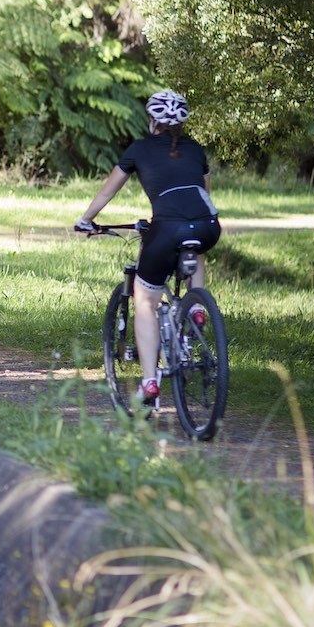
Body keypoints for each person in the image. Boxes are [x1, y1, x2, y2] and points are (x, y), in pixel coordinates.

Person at [74, 89, 221, 412]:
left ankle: (149, 381)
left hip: (166, 228)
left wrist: (86, 220)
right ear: (182, 123)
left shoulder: (139, 149)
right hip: (208, 224)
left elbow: (107, 192)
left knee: (145, 300)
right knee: (195, 244)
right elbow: (203, 195)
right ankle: (197, 307)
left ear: (152, 120)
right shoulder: (196, 150)